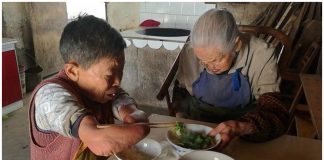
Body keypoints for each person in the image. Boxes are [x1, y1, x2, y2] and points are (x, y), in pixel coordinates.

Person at [28, 15, 150, 160]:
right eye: (109, 75)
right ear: (73, 71)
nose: (117, 81)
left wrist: (133, 115)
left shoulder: (107, 90)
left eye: (121, 71)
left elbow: (127, 106)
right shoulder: (49, 96)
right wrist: (141, 128)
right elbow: (99, 140)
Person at [175, 9, 289, 149]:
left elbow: (276, 113)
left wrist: (242, 127)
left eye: (217, 60)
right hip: (197, 126)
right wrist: (180, 116)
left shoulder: (261, 54)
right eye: (203, 61)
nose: (211, 67)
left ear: (237, 44)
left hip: (241, 136)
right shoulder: (191, 51)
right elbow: (181, 91)